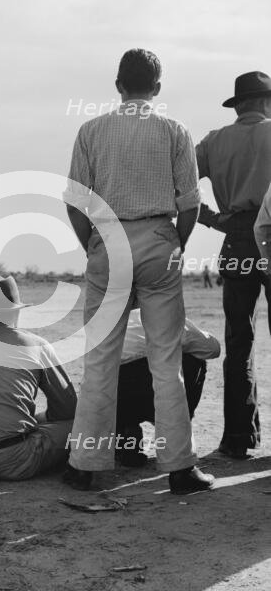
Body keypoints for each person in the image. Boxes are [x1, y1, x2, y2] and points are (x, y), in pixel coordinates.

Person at [63, 48, 214, 494]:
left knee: (99, 360)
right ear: (158, 87)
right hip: (157, 239)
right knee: (167, 361)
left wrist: (92, 244)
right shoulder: (174, 130)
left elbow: (75, 202)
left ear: (118, 85)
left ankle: (87, 465)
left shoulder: (91, 129)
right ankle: (179, 467)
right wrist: (177, 244)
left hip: (107, 242)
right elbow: (190, 202)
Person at [197, 71, 271, 459]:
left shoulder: (214, 141)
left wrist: (210, 218)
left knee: (238, 341)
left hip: (237, 237)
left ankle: (238, 438)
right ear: (265, 102)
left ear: (239, 104)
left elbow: (177, 184)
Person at [0, 275, 77, 481]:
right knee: (81, 422)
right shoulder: (35, 345)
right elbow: (68, 408)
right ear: (16, 312)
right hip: (16, 460)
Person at [116, 309, 220, 466]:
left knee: (105, 375)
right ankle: (175, 436)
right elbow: (212, 348)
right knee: (194, 361)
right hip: (165, 398)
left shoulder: (107, 323)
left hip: (120, 403)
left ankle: (126, 439)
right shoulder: (165, 313)